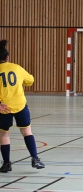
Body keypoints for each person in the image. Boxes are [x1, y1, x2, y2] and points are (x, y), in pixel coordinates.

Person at [0, 39, 45, 172]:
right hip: (20, 105)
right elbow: (30, 80)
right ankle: (35, 158)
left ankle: (7, 163)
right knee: (26, 132)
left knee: (4, 135)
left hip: (4, 107)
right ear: (8, 57)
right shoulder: (16, 67)